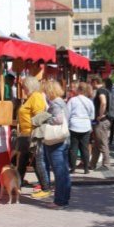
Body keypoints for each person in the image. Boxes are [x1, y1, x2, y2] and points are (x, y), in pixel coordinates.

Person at [31, 80, 70, 208]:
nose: (45, 94)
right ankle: (64, 198)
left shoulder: (56, 104)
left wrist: (46, 118)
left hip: (56, 142)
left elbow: (58, 119)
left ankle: (59, 201)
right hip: (63, 141)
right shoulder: (62, 102)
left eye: (46, 91)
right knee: (64, 172)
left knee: (59, 172)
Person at [17, 76, 46, 188]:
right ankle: (18, 186)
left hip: (32, 134)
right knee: (23, 162)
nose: (23, 89)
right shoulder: (31, 97)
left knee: (37, 163)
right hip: (25, 134)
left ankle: (45, 187)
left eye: (24, 86)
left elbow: (39, 117)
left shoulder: (36, 97)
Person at [67, 81, 95, 174]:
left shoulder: (72, 100)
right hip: (85, 126)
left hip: (74, 125)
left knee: (73, 148)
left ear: (78, 89)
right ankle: (86, 168)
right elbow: (92, 116)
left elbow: (67, 114)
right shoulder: (89, 101)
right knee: (84, 148)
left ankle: (73, 168)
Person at [90, 76, 112, 170]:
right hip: (103, 121)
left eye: (91, 83)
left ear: (95, 82)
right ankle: (92, 164)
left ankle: (106, 164)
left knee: (102, 143)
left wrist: (100, 115)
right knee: (97, 144)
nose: (91, 85)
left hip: (102, 121)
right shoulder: (106, 90)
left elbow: (103, 102)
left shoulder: (101, 91)